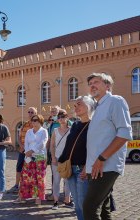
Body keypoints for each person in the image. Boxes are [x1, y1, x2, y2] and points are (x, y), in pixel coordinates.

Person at [83, 73, 132, 219]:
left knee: (89, 207)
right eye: (90, 83)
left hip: (106, 165)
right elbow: (97, 140)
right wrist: (89, 164)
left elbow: (124, 133)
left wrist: (101, 158)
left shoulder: (115, 101)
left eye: (96, 82)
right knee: (104, 209)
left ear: (108, 85)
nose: (92, 85)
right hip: (95, 165)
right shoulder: (97, 107)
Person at [58, 96, 96, 220]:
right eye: (74, 105)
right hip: (71, 169)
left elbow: (95, 148)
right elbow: (69, 144)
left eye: (79, 104)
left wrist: (87, 166)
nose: (76, 107)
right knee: (77, 206)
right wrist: (62, 161)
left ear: (89, 106)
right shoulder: (75, 124)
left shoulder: (95, 124)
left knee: (83, 204)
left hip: (83, 169)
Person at [13, 114, 48, 205]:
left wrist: (33, 151)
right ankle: (22, 197)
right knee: (25, 177)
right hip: (28, 156)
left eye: (36, 120)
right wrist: (27, 152)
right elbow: (26, 143)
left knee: (39, 178)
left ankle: (38, 198)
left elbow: (43, 143)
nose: (34, 122)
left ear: (40, 121)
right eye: (33, 120)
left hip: (40, 156)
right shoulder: (29, 131)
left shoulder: (44, 131)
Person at [7, 107, 37, 194]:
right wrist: (21, 146)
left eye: (32, 112)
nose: (30, 114)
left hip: (32, 152)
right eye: (29, 112)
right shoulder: (25, 124)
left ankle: (30, 186)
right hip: (22, 150)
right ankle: (17, 185)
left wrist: (30, 149)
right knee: (19, 167)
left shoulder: (37, 125)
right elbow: (19, 137)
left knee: (31, 169)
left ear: (35, 114)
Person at [50, 110, 73, 210]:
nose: (61, 119)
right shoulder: (55, 131)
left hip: (68, 159)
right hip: (57, 159)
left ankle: (67, 200)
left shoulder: (71, 130)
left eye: (63, 117)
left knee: (68, 180)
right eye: (59, 117)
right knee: (56, 181)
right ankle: (55, 202)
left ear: (67, 118)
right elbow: (52, 145)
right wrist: (53, 157)